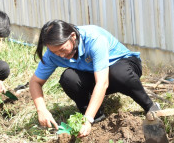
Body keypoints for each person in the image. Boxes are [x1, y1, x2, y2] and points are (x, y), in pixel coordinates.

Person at [30, 19, 159, 137]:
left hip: (123, 68)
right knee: (68, 78)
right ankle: (96, 118)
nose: (61, 55)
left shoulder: (94, 39)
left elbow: (102, 83)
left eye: (63, 50)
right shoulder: (54, 54)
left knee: (118, 73)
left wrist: (87, 119)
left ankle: (150, 107)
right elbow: (35, 82)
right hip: (94, 74)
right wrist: (41, 110)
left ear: (73, 37)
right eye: (55, 52)